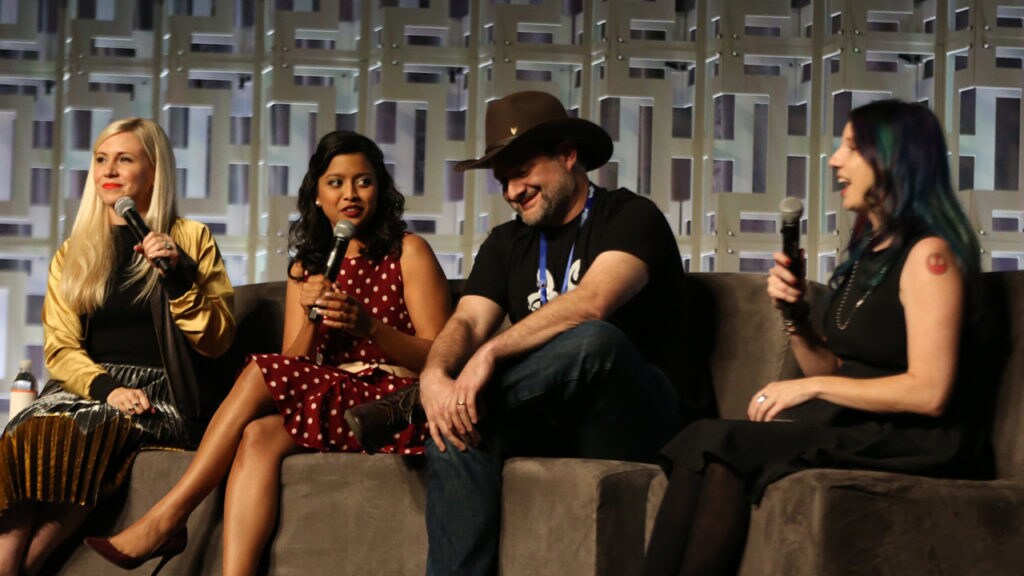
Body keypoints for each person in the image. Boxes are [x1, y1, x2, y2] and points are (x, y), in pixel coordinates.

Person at [346, 90, 715, 576]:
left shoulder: (630, 216)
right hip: (555, 416)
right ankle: (422, 405)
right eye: (503, 180)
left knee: (594, 340)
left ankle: (408, 405)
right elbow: (466, 322)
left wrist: (491, 355)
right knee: (455, 428)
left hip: (640, 418)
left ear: (568, 155)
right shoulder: (507, 242)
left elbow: (592, 302)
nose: (511, 192)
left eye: (522, 173)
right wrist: (436, 377)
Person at [641, 99, 992, 576]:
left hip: (923, 441)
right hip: (863, 427)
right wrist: (796, 319)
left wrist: (810, 388)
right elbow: (833, 370)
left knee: (715, 438)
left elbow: (930, 393)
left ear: (894, 159)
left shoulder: (931, 256)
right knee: (713, 447)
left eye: (851, 147)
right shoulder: (870, 252)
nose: (834, 161)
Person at [84, 130, 451, 575]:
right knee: (258, 436)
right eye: (335, 183)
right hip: (334, 395)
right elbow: (295, 362)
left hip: (393, 405)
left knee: (259, 372)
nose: (350, 194)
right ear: (317, 195)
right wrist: (314, 316)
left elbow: (440, 360)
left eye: (364, 181)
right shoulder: (307, 266)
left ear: (381, 189)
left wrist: (368, 326)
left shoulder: (408, 251)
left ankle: (169, 516)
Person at [0, 118, 235, 576]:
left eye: (125, 159)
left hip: (160, 395)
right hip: (89, 388)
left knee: (85, 428)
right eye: (102, 160)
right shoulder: (76, 250)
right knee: (22, 433)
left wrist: (178, 277)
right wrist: (106, 387)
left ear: (153, 170)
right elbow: (60, 348)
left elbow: (218, 339)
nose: (109, 170)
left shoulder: (190, 239)